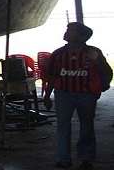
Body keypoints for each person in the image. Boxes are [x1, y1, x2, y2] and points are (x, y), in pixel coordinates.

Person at [43, 22, 112, 169]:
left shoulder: (94, 52)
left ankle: (86, 159)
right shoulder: (58, 54)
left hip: (86, 95)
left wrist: (100, 87)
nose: (66, 32)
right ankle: (63, 159)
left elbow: (106, 72)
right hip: (63, 95)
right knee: (63, 126)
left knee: (86, 126)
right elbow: (51, 76)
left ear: (82, 36)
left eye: (70, 30)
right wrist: (47, 95)